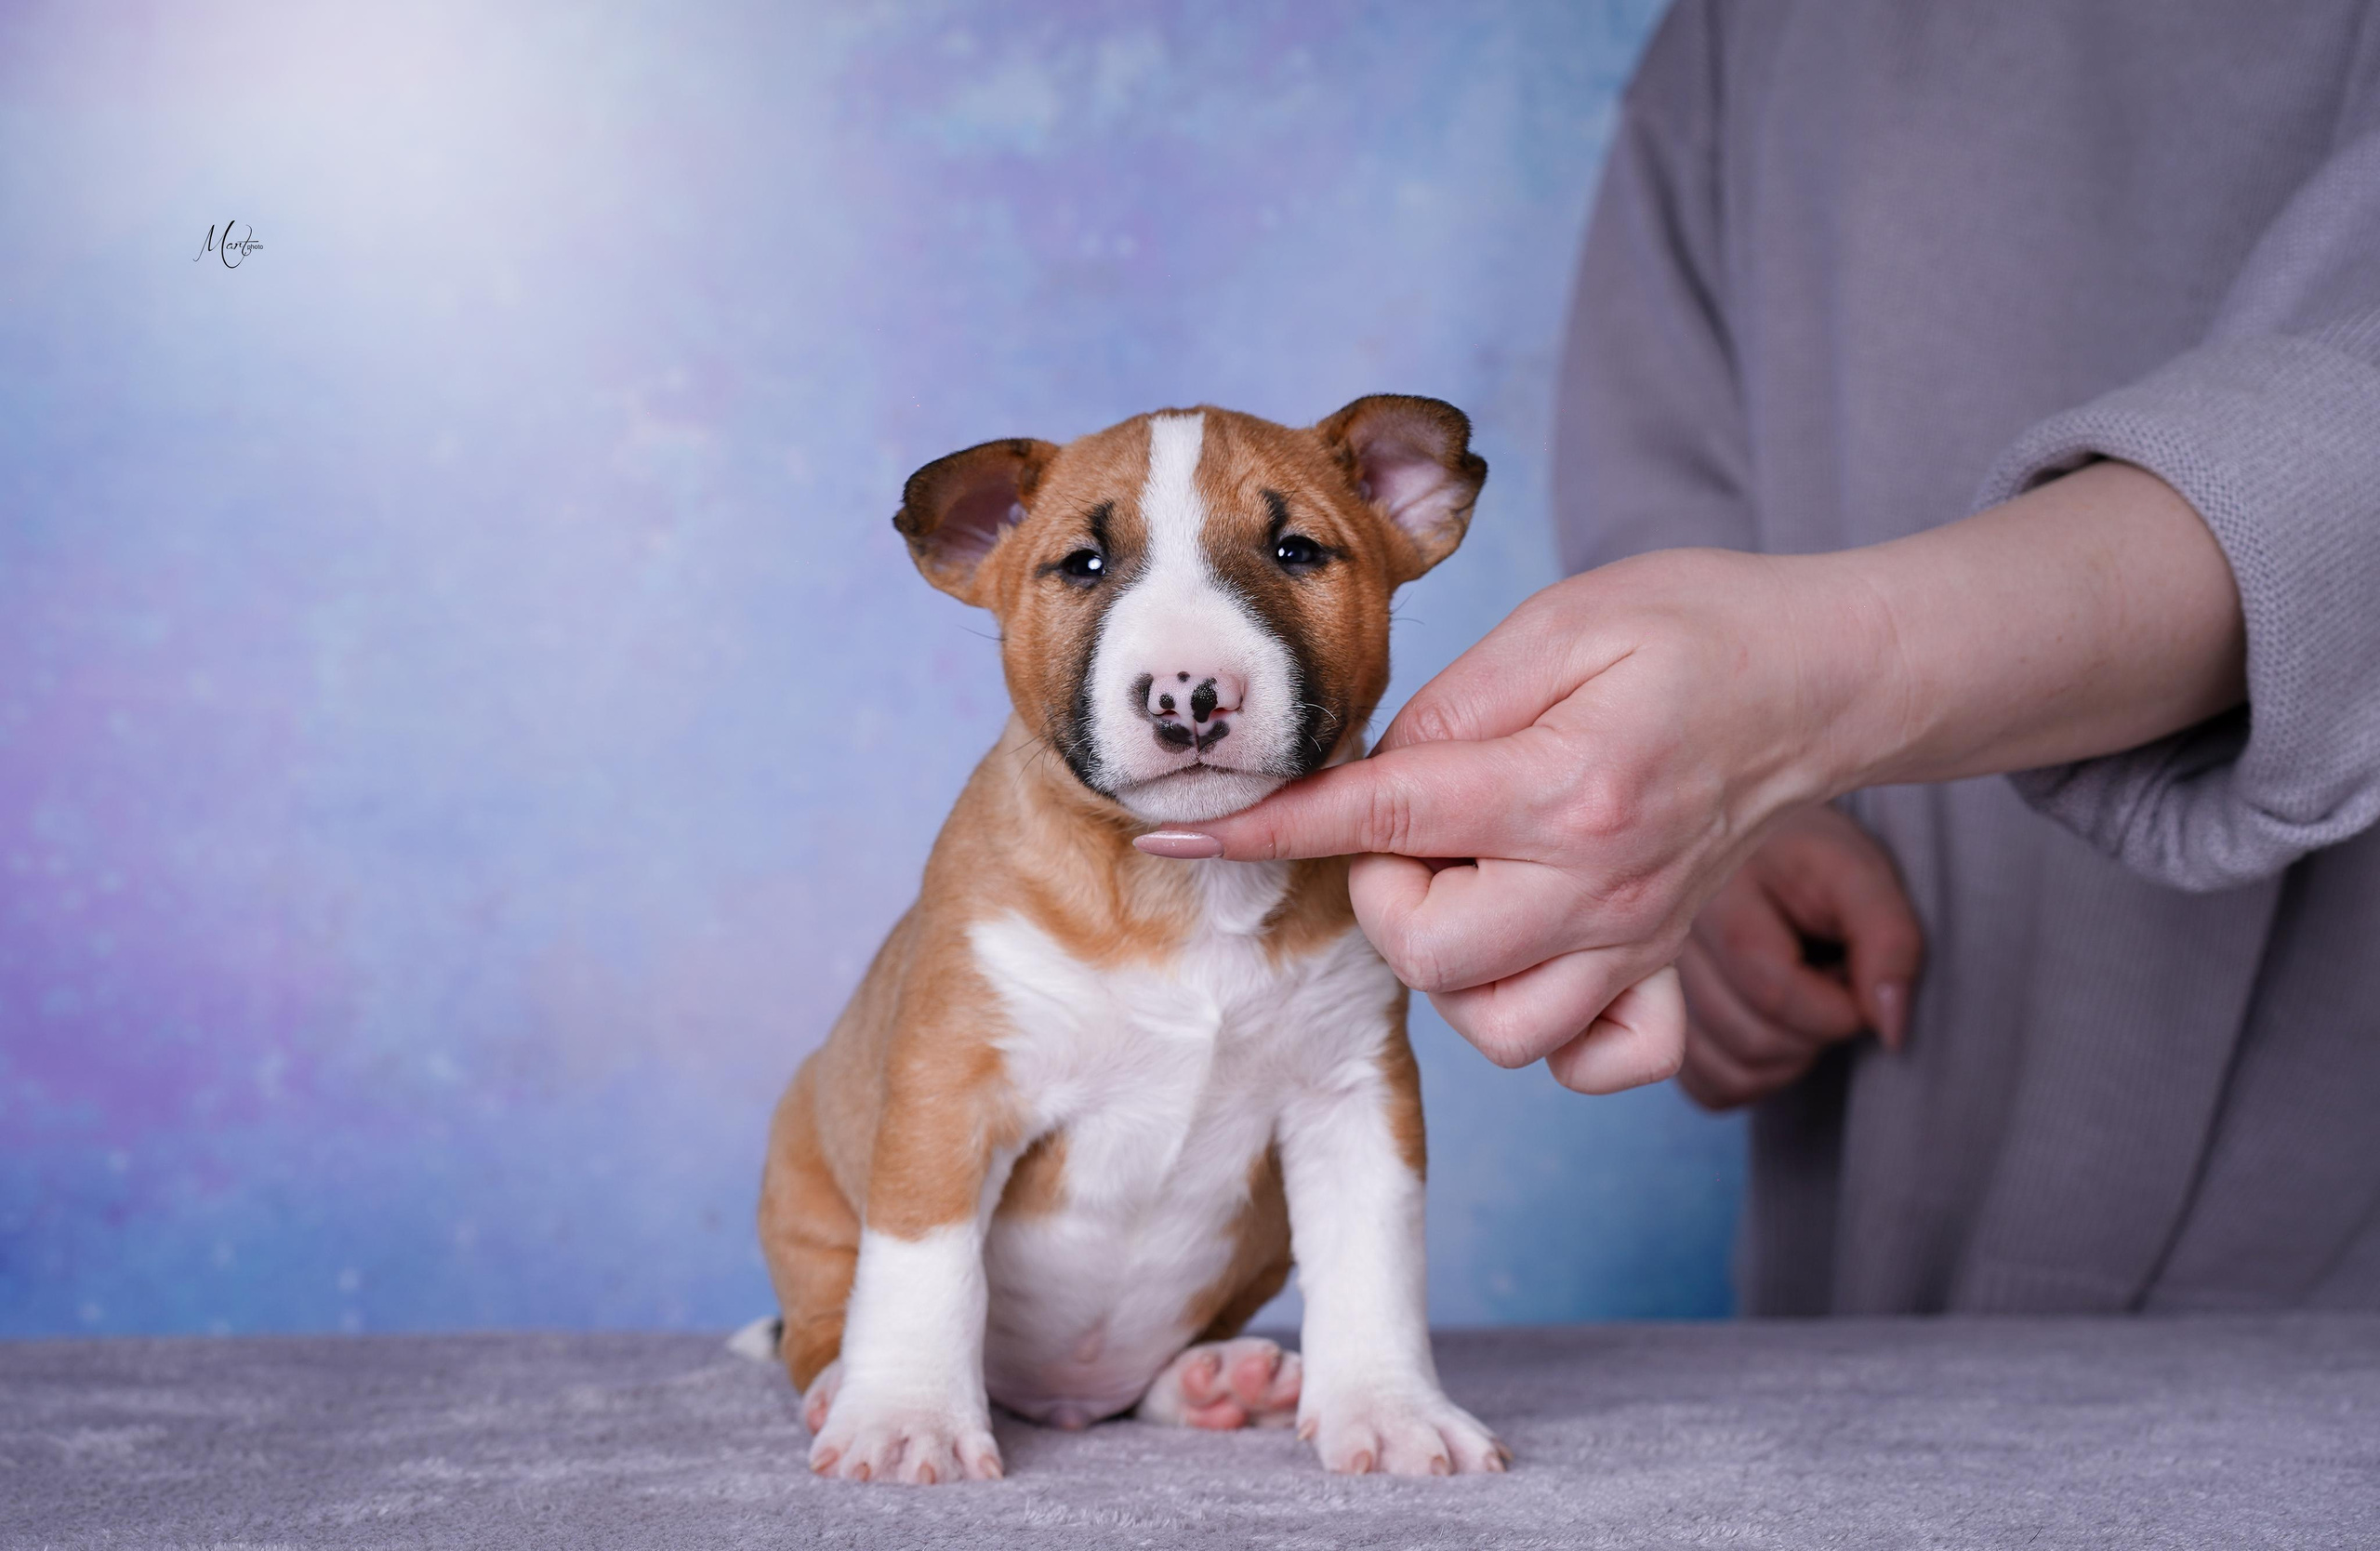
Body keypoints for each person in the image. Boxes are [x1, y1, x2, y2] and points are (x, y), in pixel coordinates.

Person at [1134, 0, 2380, 1316]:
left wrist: (1820, 688)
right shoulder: (1740, 38)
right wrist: (1731, 839)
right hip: (1878, 1223)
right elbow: (1667, 469)